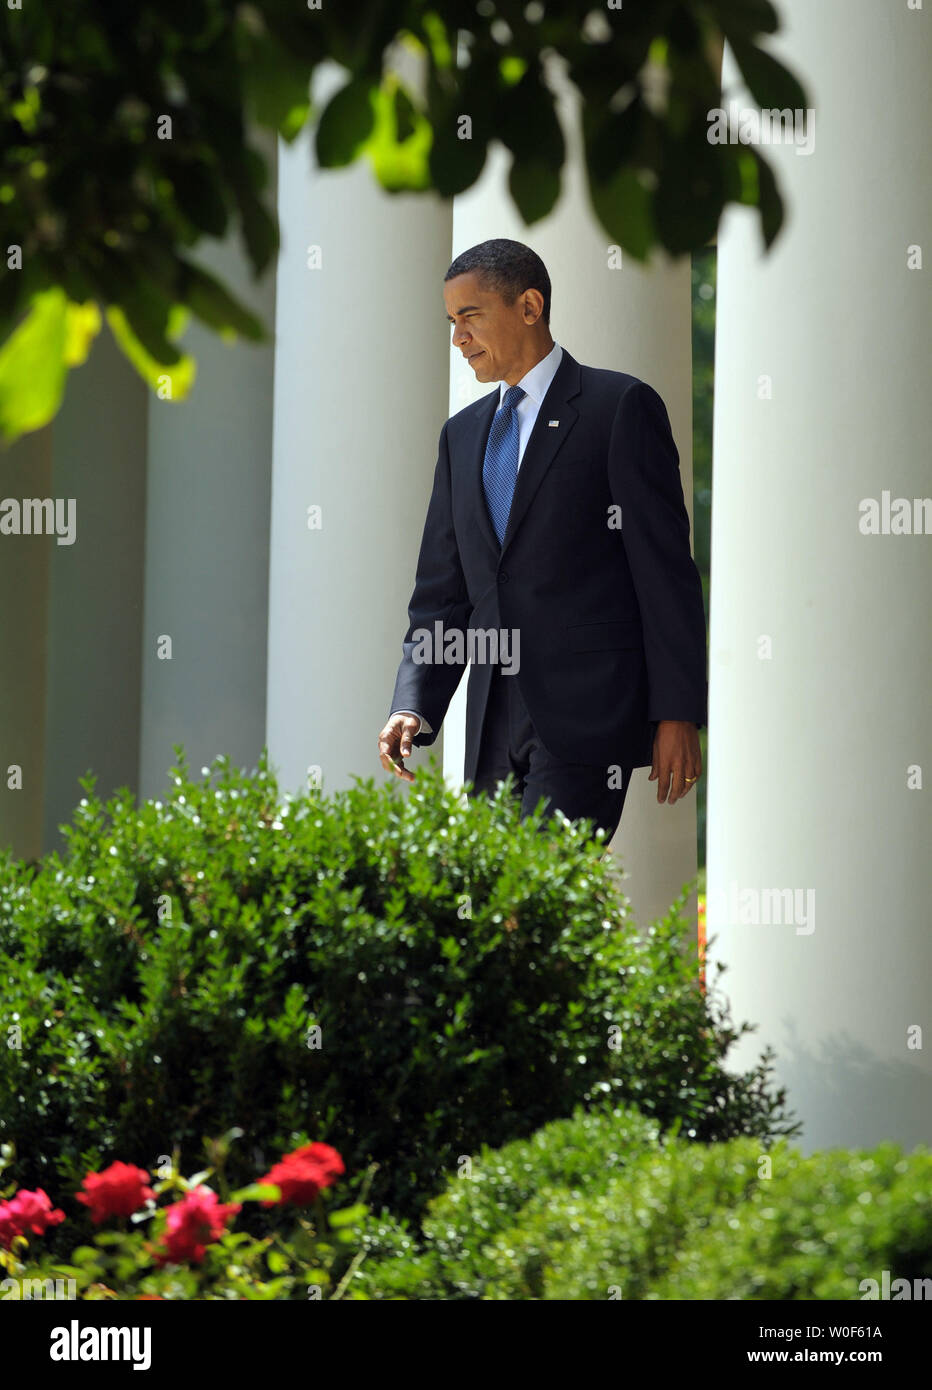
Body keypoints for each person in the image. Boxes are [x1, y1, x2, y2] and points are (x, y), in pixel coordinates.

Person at [378, 239, 707, 842]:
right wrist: (414, 701)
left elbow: (665, 575)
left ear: (530, 306)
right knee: (500, 914)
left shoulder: (618, 407)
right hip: (491, 719)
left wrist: (677, 712)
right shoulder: (461, 435)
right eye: (452, 322)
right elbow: (442, 592)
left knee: (536, 897)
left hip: (587, 717)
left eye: (470, 316)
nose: (458, 339)